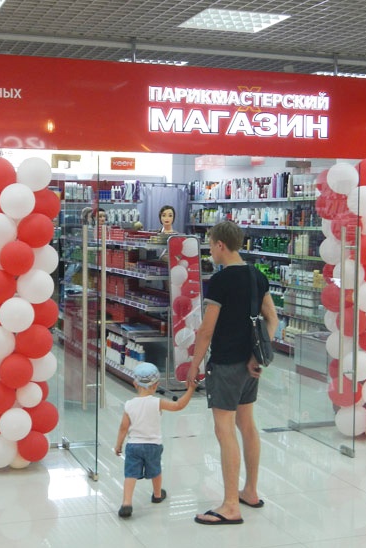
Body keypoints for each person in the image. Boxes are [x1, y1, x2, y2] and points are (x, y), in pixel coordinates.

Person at [186, 221, 279, 525]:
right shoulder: (257, 275)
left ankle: (229, 506)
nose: (210, 251)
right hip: (250, 365)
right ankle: (250, 491)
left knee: (224, 429)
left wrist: (194, 364)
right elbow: (272, 319)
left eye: (210, 245)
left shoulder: (221, 280)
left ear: (220, 245)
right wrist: (256, 356)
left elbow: (206, 329)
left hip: (226, 363)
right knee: (247, 425)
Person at [114, 362, 196, 519]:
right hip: (153, 445)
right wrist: (191, 389)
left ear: (135, 383)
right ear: (156, 385)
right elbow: (178, 405)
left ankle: (126, 503)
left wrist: (118, 445)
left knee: (130, 474)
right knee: (156, 470)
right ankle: (157, 495)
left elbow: (123, 427)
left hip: (133, 446)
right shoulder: (157, 402)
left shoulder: (129, 405)